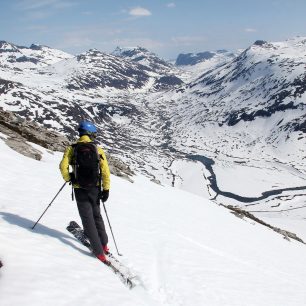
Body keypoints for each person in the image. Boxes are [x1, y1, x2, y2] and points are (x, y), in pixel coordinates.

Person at [59, 120, 111, 264]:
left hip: (79, 188)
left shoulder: (72, 148)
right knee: (97, 216)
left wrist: (69, 178)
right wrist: (106, 189)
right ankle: (104, 245)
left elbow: (63, 166)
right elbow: (105, 171)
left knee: (87, 219)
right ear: (90, 134)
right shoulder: (97, 149)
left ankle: (98, 253)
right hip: (95, 188)